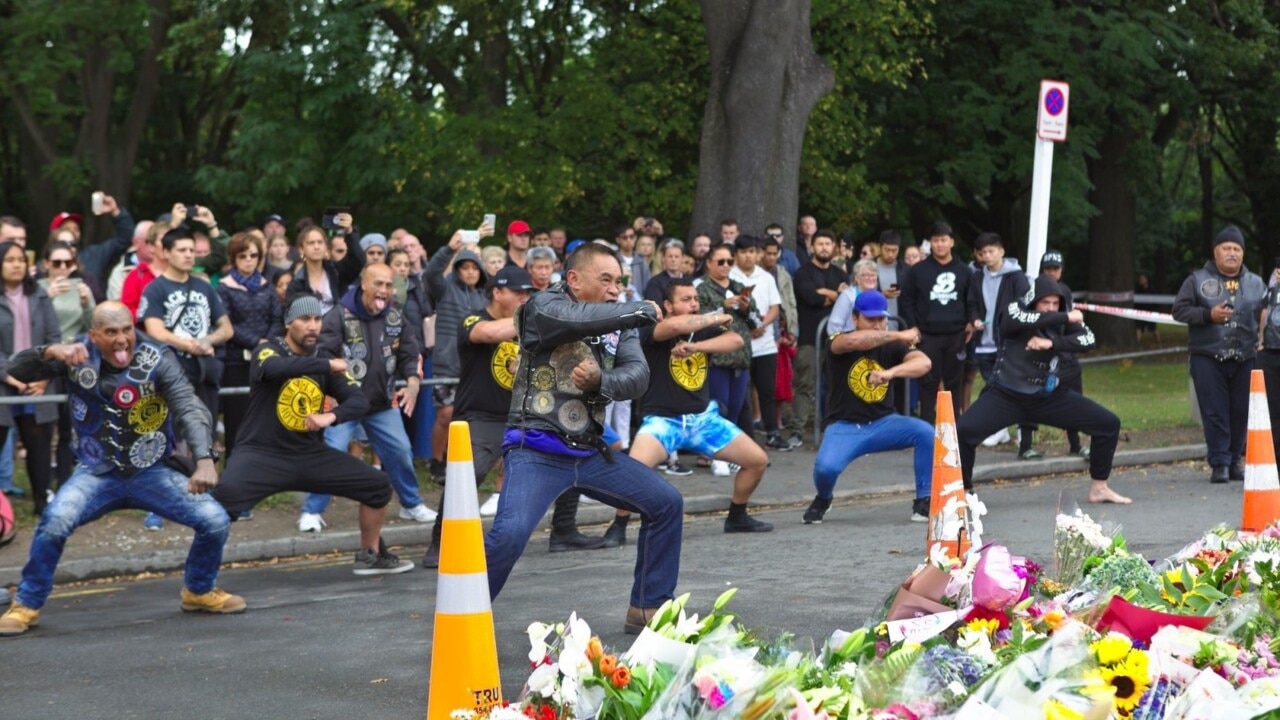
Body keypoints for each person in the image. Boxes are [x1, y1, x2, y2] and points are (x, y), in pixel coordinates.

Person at [0, 302, 243, 636]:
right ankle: (27, 603)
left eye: (126, 330)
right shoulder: (77, 354)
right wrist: (50, 351)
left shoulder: (158, 358)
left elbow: (189, 406)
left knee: (214, 520)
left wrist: (204, 460)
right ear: (94, 335)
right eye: (111, 332)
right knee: (55, 522)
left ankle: (198, 591)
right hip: (95, 471)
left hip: (151, 472)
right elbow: (18, 368)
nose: (121, 339)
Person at [484, 242, 683, 635]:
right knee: (508, 535)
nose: (615, 289)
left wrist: (600, 381)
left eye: (620, 282)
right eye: (605, 279)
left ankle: (647, 607)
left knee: (666, 503)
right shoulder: (542, 308)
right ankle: (462, 614)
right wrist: (636, 308)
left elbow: (638, 377)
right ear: (573, 279)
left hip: (589, 452)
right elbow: (576, 319)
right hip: (535, 448)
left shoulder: (619, 322)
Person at [212, 294, 414, 575]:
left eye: (318, 319)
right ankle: (202, 575)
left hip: (308, 454)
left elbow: (359, 400)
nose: (313, 326)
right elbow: (275, 369)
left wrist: (330, 416)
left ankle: (371, 554)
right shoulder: (269, 351)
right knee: (220, 502)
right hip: (261, 453)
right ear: (288, 323)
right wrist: (326, 366)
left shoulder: (323, 359)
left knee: (377, 485)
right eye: (305, 319)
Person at [615, 279, 772, 539]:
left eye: (696, 299)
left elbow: (736, 340)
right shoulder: (652, 328)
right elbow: (676, 325)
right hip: (663, 421)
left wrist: (697, 346)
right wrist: (714, 317)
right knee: (633, 473)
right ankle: (617, 528)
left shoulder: (701, 332)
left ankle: (737, 516)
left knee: (757, 461)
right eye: (686, 300)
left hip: (703, 419)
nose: (694, 304)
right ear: (668, 305)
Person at [956, 276, 1130, 503]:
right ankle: (964, 491)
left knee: (1108, 424)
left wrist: (1052, 343)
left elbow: (1088, 340)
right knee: (963, 431)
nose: (1050, 308)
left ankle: (1099, 487)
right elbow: (1013, 321)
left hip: (1047, 397)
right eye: (1044, 302)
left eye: (1055, 304)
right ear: (1033, 301)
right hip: (1006, 395)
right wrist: (1065, 315)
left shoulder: (1062, 321)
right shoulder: (1016, 309)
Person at [296, 263, 434, 531]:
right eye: (378, 284)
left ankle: (410, 504)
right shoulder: (337, 316)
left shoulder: (395, 317)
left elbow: (410, 351)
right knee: (333, 453)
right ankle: (312, 511)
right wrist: (331, 392)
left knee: (401, 451)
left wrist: (414, 382)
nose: (383, 290)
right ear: (364, 284)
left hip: (381, 404)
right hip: (345, 404)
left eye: (388, 285)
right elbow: (323, 356)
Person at [422, 266, 534, 567]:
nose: (525, 297)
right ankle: (439, 542)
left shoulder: (530, 326)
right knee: (465, 479)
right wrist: (533, 320)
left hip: (522, 413)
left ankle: (562, 530)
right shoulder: (473, 318)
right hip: (480, 416)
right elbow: (489, 333)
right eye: (518, 292)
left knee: (564, 463)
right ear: (497, 292)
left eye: (529, 293)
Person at [804, 290, 932, 524]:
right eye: (870, 319)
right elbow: (857, 341)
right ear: (854, 319)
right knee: (826, 469)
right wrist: (899, 334)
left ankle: (924, 500)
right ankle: (823, 498)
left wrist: (890, 373)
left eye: (881, 319)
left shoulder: (892, 347)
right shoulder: (839, 340)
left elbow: (924, 363)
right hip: (845, 425)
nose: (877, 325)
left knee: (925, 433)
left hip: (883, 423)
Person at [1172, 225, 1267, 483]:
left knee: (1240, 410)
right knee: (1214, 412)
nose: (1232, 253)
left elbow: (1266, 314)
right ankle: (1219, 463)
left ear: (1243, 254)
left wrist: (1263, 339)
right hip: (1208, 355)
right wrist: (1207, 315)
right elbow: (1179, 311)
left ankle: (1235, 460)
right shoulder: (1197, 279)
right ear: (1216, 252)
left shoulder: (1257, 283)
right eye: (1227, 248)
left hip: (1246, 356)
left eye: (1237, 249)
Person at [425, 227, 493, 479]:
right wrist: (450, 248)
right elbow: (431, 273)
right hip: (447, 364)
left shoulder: (485, 298)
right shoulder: (444, 290)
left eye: (474, 267)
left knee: (468, 419)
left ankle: (460, 464)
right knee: (444, 416)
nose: (470, 271)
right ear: (457, 270)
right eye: (465, 267)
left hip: (474, 369)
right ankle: (436, 462)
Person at [0, 242, 61, 514]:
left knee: (38, 441)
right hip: (4, 382)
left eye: (21, 260)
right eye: (10, 260)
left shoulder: (40, 295)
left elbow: (53, 339)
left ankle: (42, 503)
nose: (16, 264)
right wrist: (10, 376)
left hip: (36, 381)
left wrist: (44, 376)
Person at [899, 221, 975, 425]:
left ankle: (953, 429)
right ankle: (925, 428)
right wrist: (912, 326)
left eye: (943, 240)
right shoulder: (917, 271)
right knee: (928, 383)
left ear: (952, 242)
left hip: (956, 334)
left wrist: (970, 321)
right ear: (930, 243)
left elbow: (972, 299)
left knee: (954, 384)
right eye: (935, 241)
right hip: (927, 334)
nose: (940, 245)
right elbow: (906, 300)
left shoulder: (964, 271)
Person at [964, 232, 1032, 455]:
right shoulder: (977, 277)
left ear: (1001, 251)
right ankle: (999, 428)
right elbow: (972, 302)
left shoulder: (1015, 276)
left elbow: (1024, 304)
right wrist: (975, 319)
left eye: (991, 251)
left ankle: (1017, 428)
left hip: (1007, 341)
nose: (987, 256)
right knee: (993, 386)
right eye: (983, 253)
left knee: (1010, 385)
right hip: (984, 342)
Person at [216, 233, 280, 463]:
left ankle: (260, 469)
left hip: (265, 360)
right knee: (237, 420)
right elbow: (226, 324)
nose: (249, 260)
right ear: (234, 258)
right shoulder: (224, 288)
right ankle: (234, 469)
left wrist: (267, 343)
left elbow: (277, 318)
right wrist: (256, 342)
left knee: (264, 417)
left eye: (254, 255)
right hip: (235, 362)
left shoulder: (267, 286)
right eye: (243, 256)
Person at [695, 243, 757, 476]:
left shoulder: (741, 286)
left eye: (729, 261)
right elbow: (695, 318)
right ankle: (713, 454)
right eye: (720, 261)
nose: (725, 266)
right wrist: (723, 306)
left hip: (740, 358)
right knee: (717, 407)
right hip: (715, 358)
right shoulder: (701, 288)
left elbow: (756, 323)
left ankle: (730, 453)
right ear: (709, 262)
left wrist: (746, 307)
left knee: (735, 408)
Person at [39, 241, 95, 494]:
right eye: (56, 263)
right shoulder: (37, 289)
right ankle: (41, 488)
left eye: (68, 263)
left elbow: (93, 327)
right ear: (46, 264)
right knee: (41, 428)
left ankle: (64, 483)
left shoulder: (81, 287)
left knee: (67, 425)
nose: (63, 268)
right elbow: (32, 323)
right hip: (44, 358)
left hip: (72, 359)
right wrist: (46, 296)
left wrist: (86, 303)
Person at [790, 231, 848, 447]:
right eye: (820, 244)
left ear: (833, 247)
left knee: (835, 385)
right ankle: (797, 431)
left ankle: (833, 428)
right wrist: (835, 294)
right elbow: (812, 298)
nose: (824, 247)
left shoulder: (840, 274)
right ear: (812, 247)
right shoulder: (803, 273)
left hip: (837, 340)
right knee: (805, 385)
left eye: (828, 243)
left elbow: (847, 297)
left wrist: (827, 292)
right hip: (809, 338)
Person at [729, 236, 787, 450]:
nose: (748, 256)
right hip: (740, 344)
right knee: (741, 392)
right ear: (736, 254)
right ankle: (744, 436)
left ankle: (772, 432)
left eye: (752, 251)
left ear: (758, 253)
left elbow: (775, 307)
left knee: (767, 390)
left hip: (765, 343)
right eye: (743, 252)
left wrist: (762, 324)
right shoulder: (731, 276)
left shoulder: (766, 277)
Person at [1033, 249, 1089, 458]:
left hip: (1063, 350)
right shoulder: (1035, 288)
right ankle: (1026, 444)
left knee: (1074, 398)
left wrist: (1068, 340)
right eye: (1048, 268)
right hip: (1040, 351)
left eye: (1055, 269)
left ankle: (1075, 444)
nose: (1051, 272)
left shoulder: (1065, 290)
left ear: (1061, 270)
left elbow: (1071, 321)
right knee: (1029, 395)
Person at [287, 215, 366, 317]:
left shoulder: (336, 271)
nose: (316, 247)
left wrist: (349, 232)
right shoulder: (296, 283)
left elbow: (358, 260)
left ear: (326, 247)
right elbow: (292, 315)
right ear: (301, 249)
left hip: (338, 328)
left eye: (320, 242)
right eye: (311, 243)